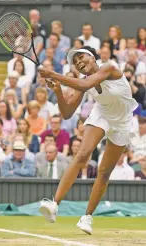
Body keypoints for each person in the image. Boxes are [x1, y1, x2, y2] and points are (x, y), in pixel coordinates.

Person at [38, 45, 138, 234]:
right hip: (101, 114)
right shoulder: (83, 81)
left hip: (123, 122)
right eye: (75, 63)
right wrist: (58, 91)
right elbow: (67, 113)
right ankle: (54, 204)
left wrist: (52, 73)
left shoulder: (109, 67)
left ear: (93, 58)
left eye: (81, 58)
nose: (79, 63)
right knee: (82, 155)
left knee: (104, 171)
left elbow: (83, 85)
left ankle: (87, 217)